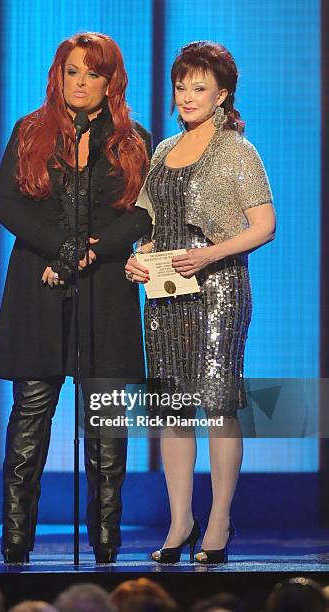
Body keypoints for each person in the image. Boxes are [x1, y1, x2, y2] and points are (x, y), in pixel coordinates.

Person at [0, 32, 152, 564]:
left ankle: (106, 541)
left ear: (111, 83)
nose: (80, 83)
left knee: (104, 425)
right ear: (58, 76)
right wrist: (62, 247)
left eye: (92, 74)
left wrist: (94, 250)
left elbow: (143, 214)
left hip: (104, 293)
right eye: (72, 72)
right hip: (37, 288)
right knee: (31, 414)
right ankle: (16, 542)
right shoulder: (30, 131)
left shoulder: (133, 141)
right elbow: (7, 205)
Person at [125, 41, 275, 564]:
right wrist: (138, 259)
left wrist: (209, 254)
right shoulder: (162, 151)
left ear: (222, 95)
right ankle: (179, 521)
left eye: (199, 88)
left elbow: (264, 227)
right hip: (167, 296)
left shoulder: (238, 151)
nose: (187, 96)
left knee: (217, 403)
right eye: (181, 86)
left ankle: (219, 521)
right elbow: (148, 224)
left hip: (219, 292)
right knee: (172, 408)